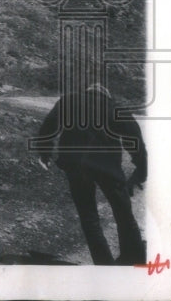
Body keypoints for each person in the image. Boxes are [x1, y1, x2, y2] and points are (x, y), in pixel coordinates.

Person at [35, 82, 147, 265]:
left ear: (87, 91)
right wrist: (141, 170)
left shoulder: (69, 101)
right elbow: (135, 138)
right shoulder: (114, 107)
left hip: (75, 166)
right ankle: (134, 257)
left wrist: (45, 153)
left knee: (89, 217)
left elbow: (49, 126)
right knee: (123, 212)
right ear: (106, 95)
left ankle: (104, 264)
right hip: (107, 168)